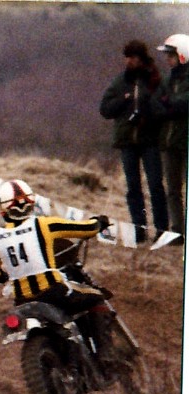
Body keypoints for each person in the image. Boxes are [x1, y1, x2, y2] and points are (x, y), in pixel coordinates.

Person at [0, 179, 115, 363]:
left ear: (3, 208)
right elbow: (87, 229)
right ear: (30, 202)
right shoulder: (43, 225)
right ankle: (105, 355)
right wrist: (99, 222)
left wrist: (3, 276)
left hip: (22, 300)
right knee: (96, 298)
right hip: (54, 291)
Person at [99, 39, 168, 244]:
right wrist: (126, 100)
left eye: (133, 57)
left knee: (156, 185)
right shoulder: (119, 82)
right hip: (127, 141)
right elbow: (105, 109)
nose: (129, 61)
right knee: (133, 187)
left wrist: (147, 111)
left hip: (150, 140)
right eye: (127, 57)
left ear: (141, 58)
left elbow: (165, 107)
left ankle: (162, 230)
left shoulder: (155, 80)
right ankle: (139, 230)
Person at [155, 34, 189, 245]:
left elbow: (182, 104)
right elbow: (158, 105)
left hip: (185, 141)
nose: (167, 59)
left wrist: (170, 105)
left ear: (182, 56)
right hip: (169, 142)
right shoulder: (167, 80)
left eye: (171, 55)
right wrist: (169, 106)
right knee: (173, 190)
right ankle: (177, 231)